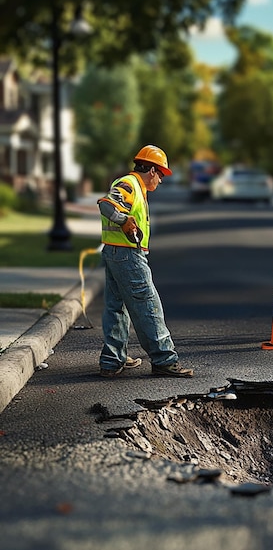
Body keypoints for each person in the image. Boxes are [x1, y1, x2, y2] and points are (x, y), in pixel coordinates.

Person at [97, 145, 193, 377]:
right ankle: (164, 359)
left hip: (115, 252)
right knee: (148, 304)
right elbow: (106, 204)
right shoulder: (129, 184)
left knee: (116, 307)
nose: (160, 180)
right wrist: (123, 220)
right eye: (160, 174)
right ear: (151, 170)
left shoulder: (136, 187)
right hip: (127, 255)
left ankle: (112, 361)